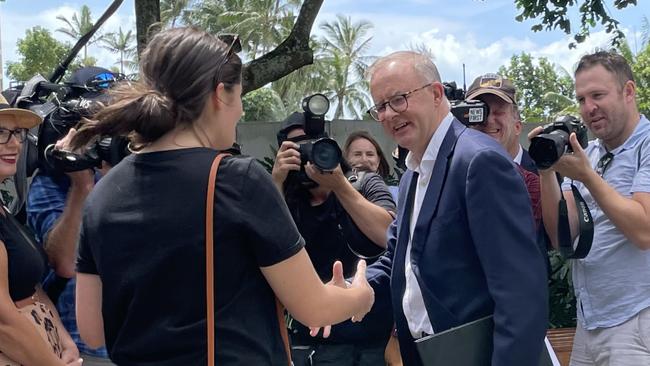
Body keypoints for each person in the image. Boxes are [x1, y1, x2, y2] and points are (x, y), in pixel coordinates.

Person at [71, 27, 374, 366]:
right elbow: (314, 307)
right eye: (240, 96)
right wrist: (359, 294)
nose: (241, 110)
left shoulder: (102, 194)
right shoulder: (235, 179)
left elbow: (93, 330)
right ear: (220, 95)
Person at [364, 51, 548, 366]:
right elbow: (398, 261)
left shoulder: (479, 161)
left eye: (398, 99)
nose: (389, 114)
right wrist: (349, 290)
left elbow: (521, 297)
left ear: (436, 94)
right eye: (380, 106)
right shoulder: (412, 176)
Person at [534, 50, 650, 366]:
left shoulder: (646, 145)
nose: (589, 108)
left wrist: (586, 176)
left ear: (628, 92)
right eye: (582, 99)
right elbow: (563, 236)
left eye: (597, 95)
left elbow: (643, 231)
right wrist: (546, 170)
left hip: (637, 319)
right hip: (591, 320)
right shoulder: (591, 154)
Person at [272, 115, 395, 366]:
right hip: (311, 340)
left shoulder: (363, 182)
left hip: (370, 335)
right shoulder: (284, 196)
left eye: (314, 144)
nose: (307, 153)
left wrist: (339, 186)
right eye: (298, 148)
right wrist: (276, 184)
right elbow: (264, 247)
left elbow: (389, 234)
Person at [27, 67, 117, 366]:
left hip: (136, 340)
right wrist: (82, 185)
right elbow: (65, 264)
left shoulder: (125, 173)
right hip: (82, 347)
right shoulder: (49, 183)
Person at [0, 94, 81, 365]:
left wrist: (63, 339)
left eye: (17, 133)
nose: (14, 143)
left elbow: (29, 284)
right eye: (1, 132)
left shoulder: (4, 208)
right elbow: (3, 321)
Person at [464, 73, 542, 228]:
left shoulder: (543, 172)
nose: (488, 120)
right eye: (480, 112)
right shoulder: (455, 174)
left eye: (498, 111)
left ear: (517, 126)